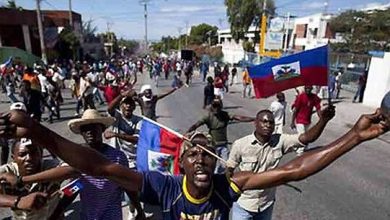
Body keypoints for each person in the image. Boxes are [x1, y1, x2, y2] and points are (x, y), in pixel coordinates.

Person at [1, 108, 388, 220]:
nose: (200, 155)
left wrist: (353, 136)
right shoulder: (162, 187)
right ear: (180, 164)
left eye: (205, 151)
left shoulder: (227, 184)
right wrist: (37, 130)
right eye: (191, 152)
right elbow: (97, 166)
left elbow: (295, 168)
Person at [228, 106, 335, 220]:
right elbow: (229, 169)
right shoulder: (240, 144)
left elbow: (306, 138)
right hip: (244, 204)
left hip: (266, 204)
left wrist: (323, 121)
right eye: (264, 121)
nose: (268, 125)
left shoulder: (280, 141)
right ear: (255, 123)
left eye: (271, 122)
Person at [0, 138, 74, 220]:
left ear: (41, 154)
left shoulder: (51, 167)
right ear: (13, 158)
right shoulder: (7, 171)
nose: (29, 158)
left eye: (33, 153)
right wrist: (18, 201)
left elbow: (74, 172)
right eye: (22, 154)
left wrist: (21, 180)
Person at [105, 90, 152, 219]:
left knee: (130, 191)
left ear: (133, 107)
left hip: (134, 159)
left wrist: (116, 134)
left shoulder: (139, 120)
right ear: (121, 106)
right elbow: (109, 108)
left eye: (130, 104)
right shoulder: (117, 117)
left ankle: (133, 211)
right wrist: (122, 94)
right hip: (117, 160)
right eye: (125, 104)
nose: (128, 106)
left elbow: (137, 139)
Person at [187, 98, 255, 173]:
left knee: (225, 164)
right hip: (212, 145)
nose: (216, 108)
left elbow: (239, 118)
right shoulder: (208, 117)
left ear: (221, 106)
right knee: (213, 165)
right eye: (214, 106)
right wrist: (188, 132)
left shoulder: (225, 115)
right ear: (212, 107)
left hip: (223, 144)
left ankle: (219, 177)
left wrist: (253, 119)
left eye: (218, 106)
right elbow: (196, 125)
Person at [291, 85, 322, 155]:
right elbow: (296, 110)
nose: (307, 90)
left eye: (309, 89)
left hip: (307, 120)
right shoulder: (301, 97)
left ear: (311, 89)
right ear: (304, 89)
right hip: (299, 120)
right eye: (306, 88)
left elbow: (318, 108)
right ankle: (299, 153)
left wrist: (321, 118)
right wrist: (292, 121)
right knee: (302, 135)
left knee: (307, 135)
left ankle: (302, 148)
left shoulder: (314, 97)